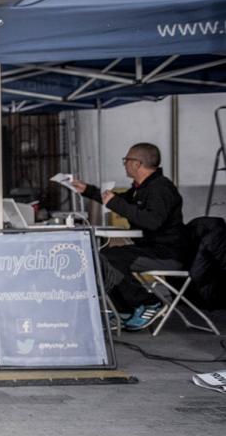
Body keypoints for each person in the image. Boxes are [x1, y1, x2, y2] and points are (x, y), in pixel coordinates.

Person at [73, 142, 186, 331]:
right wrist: (87, 190)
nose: (124, 164)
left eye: (126, 160)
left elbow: (152, 221)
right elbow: (121, 201)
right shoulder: (141, 188)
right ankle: (125, 310)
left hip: (166, 254)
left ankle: (150, 303)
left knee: (108, 259)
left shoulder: (160, 188)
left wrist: (117, 204)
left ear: (137, 164)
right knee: (102, 257)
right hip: (150, 249)